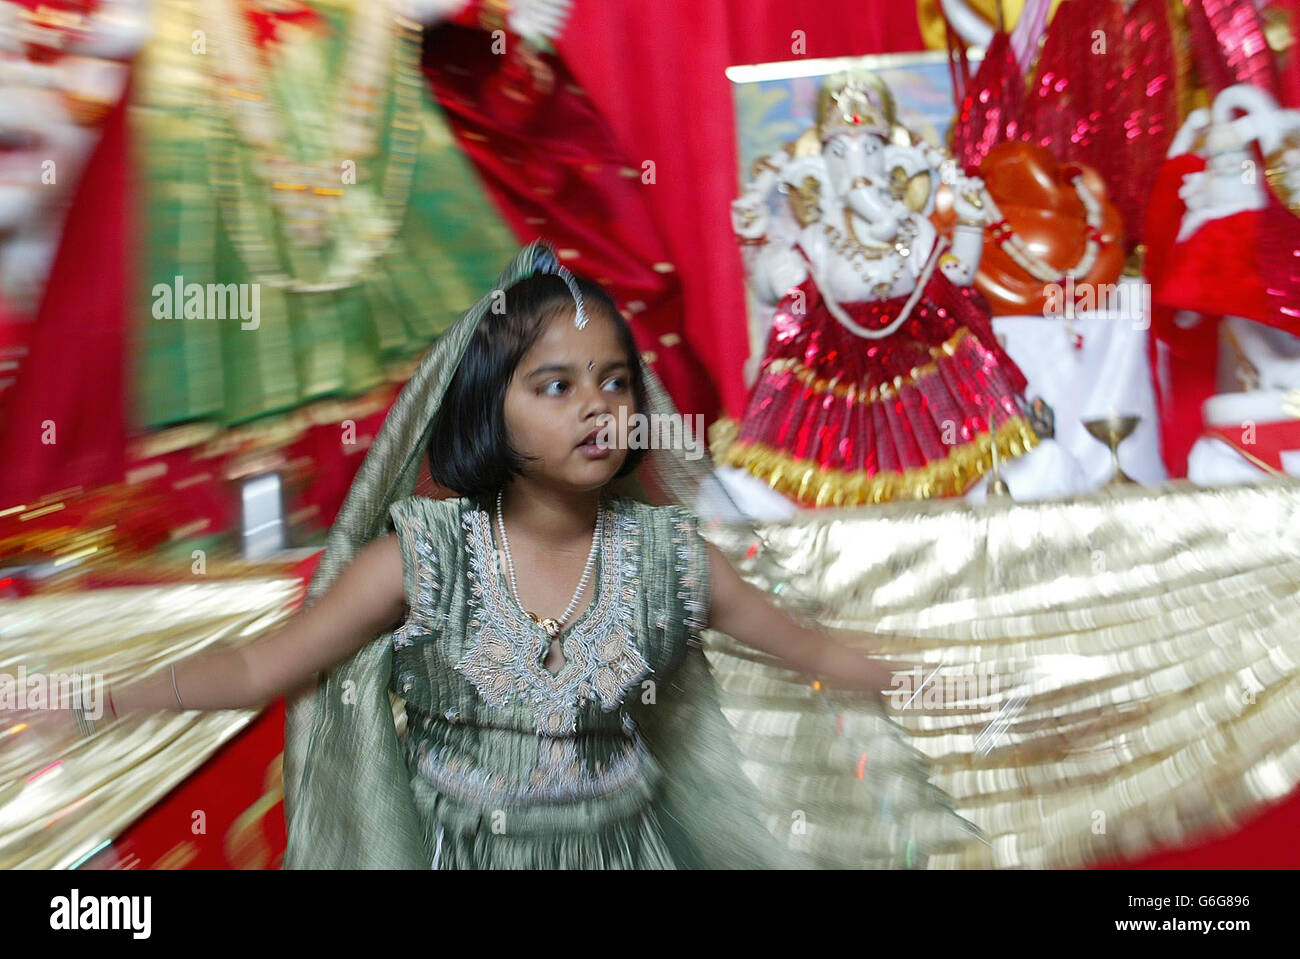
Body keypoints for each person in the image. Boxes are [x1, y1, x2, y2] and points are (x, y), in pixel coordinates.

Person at [44, 240, 981, 869]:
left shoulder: (671, 560)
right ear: (488, 406)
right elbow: (258, 668)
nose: (598, 405)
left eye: (616, 381)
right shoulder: (425, 561)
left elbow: (814, 654)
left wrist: (952, 682)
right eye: (555, 384)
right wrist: (96, 701)